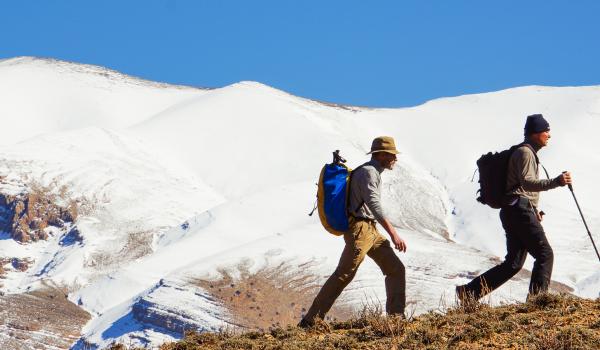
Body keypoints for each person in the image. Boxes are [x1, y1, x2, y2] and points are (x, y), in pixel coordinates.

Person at [457, 114, 572, 302]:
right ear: (536, 133)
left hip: (513, 210)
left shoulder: (524, 152)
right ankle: (537, 302)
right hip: (519, 209)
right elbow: (527, 183)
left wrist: (534, 210)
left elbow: (519, 186)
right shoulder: (525, 153)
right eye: (546, 130)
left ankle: (469, 292)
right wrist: (557, 182)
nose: (549, 135)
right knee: (545, 254)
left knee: (514, 263)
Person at [299, 136, 408, 327]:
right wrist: (394, 234)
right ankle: (310, 321)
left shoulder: (370, 171)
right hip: (360, 230)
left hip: (370, 230)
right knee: (343, 275)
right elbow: (374, 205)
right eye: (392, 155)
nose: (395, 159)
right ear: (382, 155)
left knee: (396, 269)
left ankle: (396, 319)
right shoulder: (369, 173)